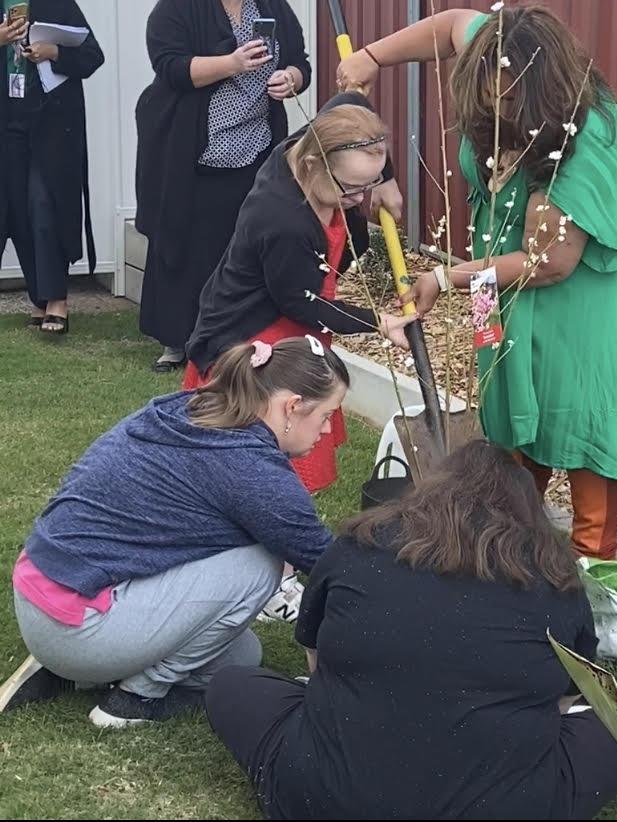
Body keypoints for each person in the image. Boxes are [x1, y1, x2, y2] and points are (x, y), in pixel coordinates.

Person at [206, 441, 617, 820]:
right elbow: (562, 703)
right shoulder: (557, 581)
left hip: (326, 797)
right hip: (503, 804)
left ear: (430, 491)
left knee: (232, 684)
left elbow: (316, 664)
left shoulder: (357, 546)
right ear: (530, 515)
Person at [337, 5, 617, 562]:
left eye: (509, 100)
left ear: (543, 89)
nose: (493, 107)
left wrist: (445, 275)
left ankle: (598, 592)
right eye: (485, 94)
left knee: (581, 438)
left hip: (568, 310)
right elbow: (451, 26)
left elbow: (548, 261)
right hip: (493, 293)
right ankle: (512, 559)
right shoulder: (498, 57)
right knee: (507, 423)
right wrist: (371, 57)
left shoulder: (583, 139)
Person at [0, 336, 346, 728]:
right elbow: (331, 564)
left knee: (241, 657)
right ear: (293, 406)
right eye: (327, 415)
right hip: (76, 623)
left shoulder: (190, 408)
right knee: (262, 565)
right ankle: (133, 700)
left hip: (42, 592)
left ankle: (74, 672)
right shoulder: (251, 469)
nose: (327, 430)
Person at [184, 93, 410, 496]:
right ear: (313, 165)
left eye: (368, 185)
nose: (361, 200)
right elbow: (302, 302)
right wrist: (378, 322)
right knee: (261, 476)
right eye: (353, 189)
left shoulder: (316, 143)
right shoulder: (281, 219)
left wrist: (386, 179)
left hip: (297, 325)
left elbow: (352, 100)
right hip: (257, 339)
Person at [135, 0, 312, 373]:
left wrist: (290, 78)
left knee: (242, 246)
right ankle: (177, 339)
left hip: (256, 147)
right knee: (183, 240)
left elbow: (300, 61)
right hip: (190, 150)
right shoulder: (176, 8)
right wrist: (232, 63)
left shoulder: (272, 7)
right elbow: (171, 68)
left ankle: (237, 337)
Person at [0, 0, 103, 334]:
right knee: (17, 211)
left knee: (44, 204)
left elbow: (92, 56)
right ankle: (39, 296)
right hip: (7, 124)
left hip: (52, 123)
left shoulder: (57, 3)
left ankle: (57, 298)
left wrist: (53, 51)